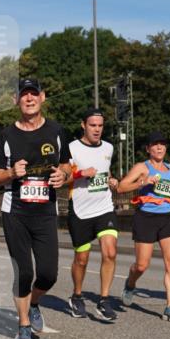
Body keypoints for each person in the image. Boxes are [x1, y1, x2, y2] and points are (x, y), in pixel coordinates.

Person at [0, 78, 71, 339]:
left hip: (46, 210)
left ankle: (34, 302)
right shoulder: (7, 135)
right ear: (16, 101)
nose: (29, 98)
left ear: (42, 97)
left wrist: (64, 175)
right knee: (24, 271)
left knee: (49, 273)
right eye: (23, 95)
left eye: (33, 94)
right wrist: (11, 172)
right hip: (16, 211)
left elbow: (68, 165)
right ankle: (23, 324)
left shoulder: (57, 131)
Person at [115, 131, 170, 322]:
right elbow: (120, 187)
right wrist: (143, 181)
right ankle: (130, 283)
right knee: (142, 265)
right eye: (155, 144)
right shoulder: (142, 167)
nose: (159, 148)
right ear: (148, 149)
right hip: (146, 217)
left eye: (162, 144)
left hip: (168, 216)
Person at [65, 109, 120, 320]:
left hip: (104, 207)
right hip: (80, 209)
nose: (97, 129)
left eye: (100, 126)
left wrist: (111, 180)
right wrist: (81, 174)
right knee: (82, 259)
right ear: (83, 125)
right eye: (93, 125)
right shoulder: (71, 148)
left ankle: (104, 300)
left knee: (110, 252)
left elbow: (105, 172)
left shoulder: (109, 147)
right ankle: (77, 296)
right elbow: (63, 178)